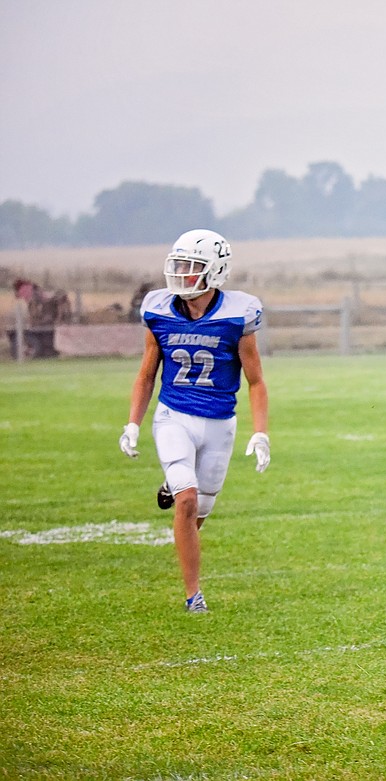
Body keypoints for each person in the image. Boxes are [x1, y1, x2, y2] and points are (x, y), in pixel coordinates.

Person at [118, 229, 270, 614]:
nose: (182, 274)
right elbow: (146, 374)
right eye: (179, 265)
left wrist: (261, 433)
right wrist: (133, 422)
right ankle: (193, 596)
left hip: (220, 423)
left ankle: (177, 488)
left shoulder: (238, 315)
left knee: (197, 514)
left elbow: (255, 380)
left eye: (191, 267)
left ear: (216, 271)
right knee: (186, 500)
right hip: (175, 417)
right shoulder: (159, 310)